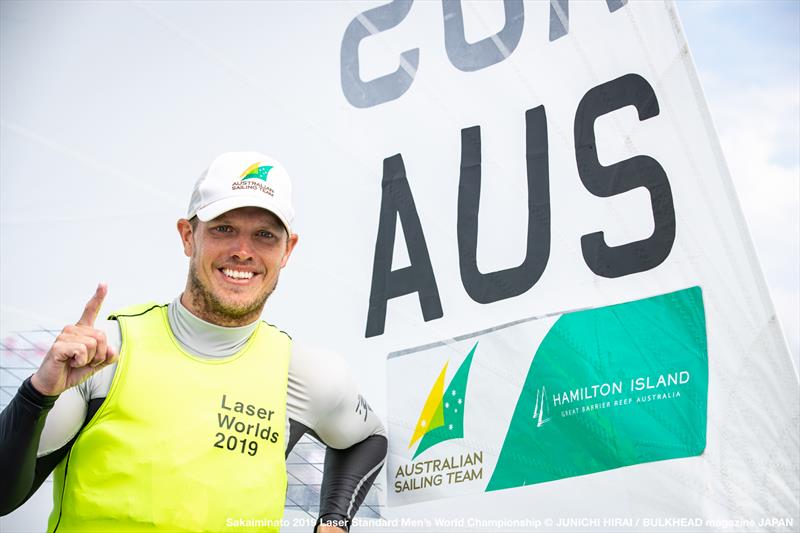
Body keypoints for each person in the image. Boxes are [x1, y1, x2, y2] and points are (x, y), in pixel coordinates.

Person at [0, 152, 387, 532]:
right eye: (223, 228)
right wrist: (39, 394)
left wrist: (334, 523)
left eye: (265, 235)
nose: (243, 250)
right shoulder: (106, 354)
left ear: (288, 251)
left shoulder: (304, 371)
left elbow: (367, 439)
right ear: (188, 236)